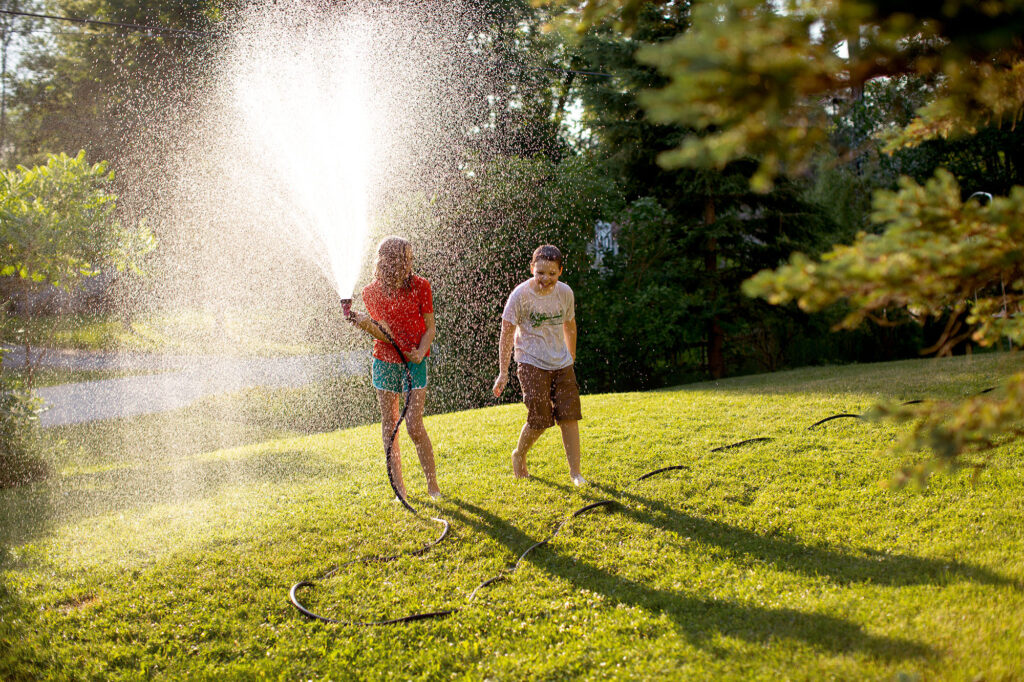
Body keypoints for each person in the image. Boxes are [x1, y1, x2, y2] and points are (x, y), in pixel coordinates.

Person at [348, 236, 441, 499]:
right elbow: (384, 333)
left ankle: (432, 485)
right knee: (390, 425)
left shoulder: (422, 286)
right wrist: (363, 322)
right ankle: (400, 489)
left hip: (416, 360)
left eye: (411, 258)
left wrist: (420, 353)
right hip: (385, 361)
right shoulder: (370, 292)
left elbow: (430, 326)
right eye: (405, 258)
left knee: (413, 424)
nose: (411, 263)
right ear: (389, 262)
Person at [492, 244, 585, 486]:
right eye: (540, 273)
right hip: (531, 361)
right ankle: (519, 454)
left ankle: (575, 473)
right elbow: (506, 333)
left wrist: (571, 356)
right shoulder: (520, 295)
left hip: (561, 362)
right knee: (540, 417)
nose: (546, 279)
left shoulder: (565, 293)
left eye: (552, 274)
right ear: (532, 268)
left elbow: (570, 325)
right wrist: (503, 373)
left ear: (560, 271)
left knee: (569, 415)